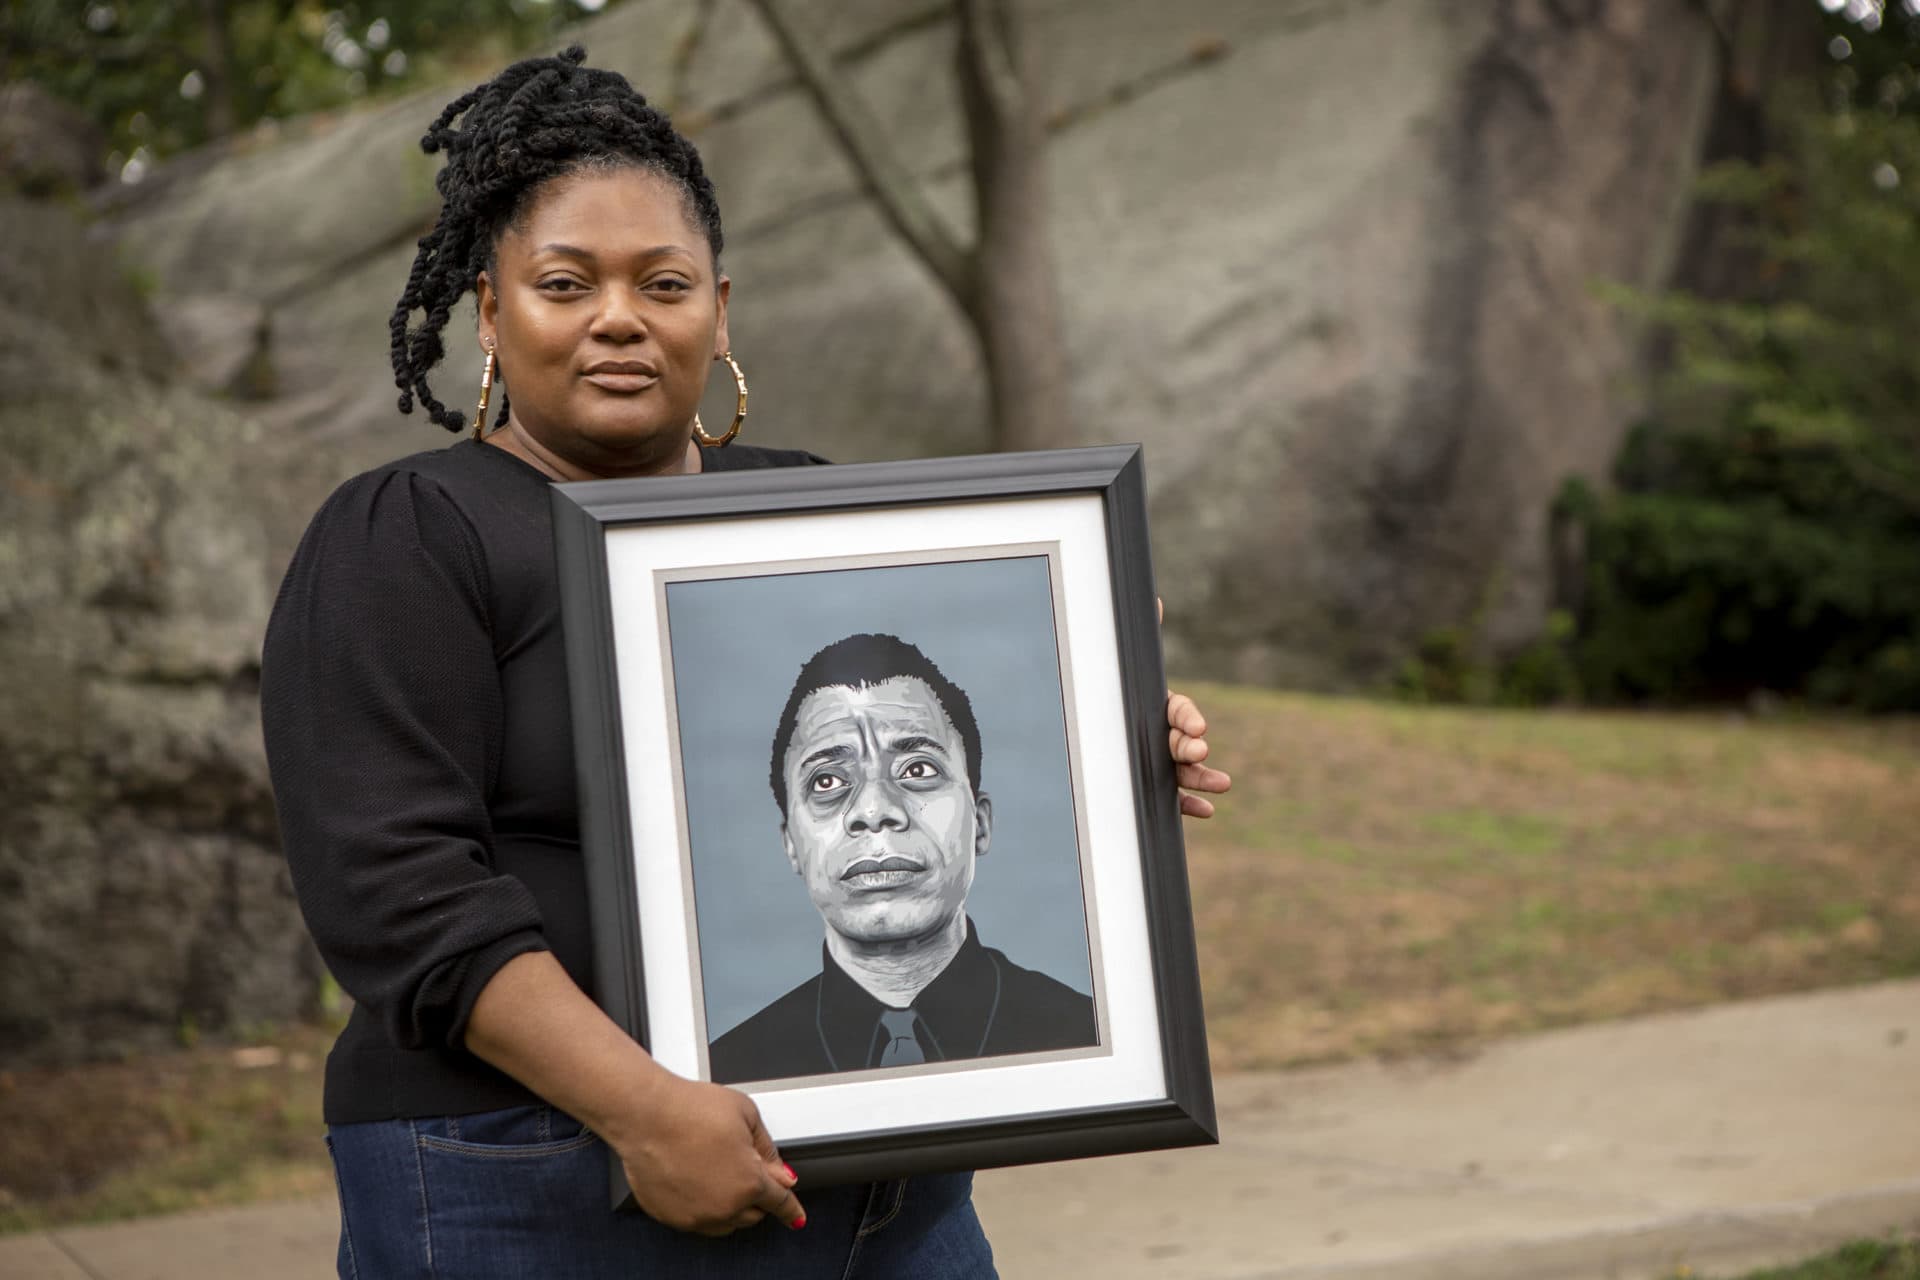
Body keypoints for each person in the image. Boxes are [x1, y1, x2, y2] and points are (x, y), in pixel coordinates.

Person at [260, 45, 1229, 1280]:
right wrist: (644, 1108)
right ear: (491, 313)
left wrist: (1110, 727)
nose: (620, 315)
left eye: (662, 282)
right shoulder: (408, 533)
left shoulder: (804, 512)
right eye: (567, 282)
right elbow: (396, 890)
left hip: (877, 1177)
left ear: (719, 308)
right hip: (526, 1169)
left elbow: (955, 762)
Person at [709, 633, 1097, 1084]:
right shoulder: (727, 1079)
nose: (874, 811)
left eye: (917, 770)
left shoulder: (1091, 1040)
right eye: (828, 782)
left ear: (980, 823)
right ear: (791, 843)